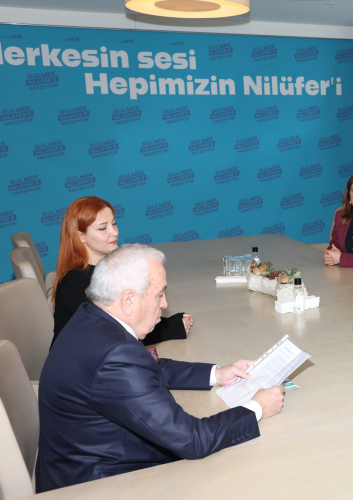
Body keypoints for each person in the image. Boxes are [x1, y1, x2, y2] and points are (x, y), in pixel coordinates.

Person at [36, 244, 285, 493]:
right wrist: (256, 408)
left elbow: (143, 368)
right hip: (99, 485)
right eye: (159, 294)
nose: (165, 304)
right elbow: (192, 440)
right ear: (128, 301)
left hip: (77, 464)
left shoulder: (90, 316)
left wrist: (216, 374)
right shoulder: (115, 357)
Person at [51, 196, 191, 347]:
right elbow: (111, 335)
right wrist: (170, 328)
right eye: (103, 228)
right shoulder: (76, 282)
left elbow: (125, 316)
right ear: (81, 236)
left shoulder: (107, 268)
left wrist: (166, 322)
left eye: (114, 224)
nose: (114, 232)